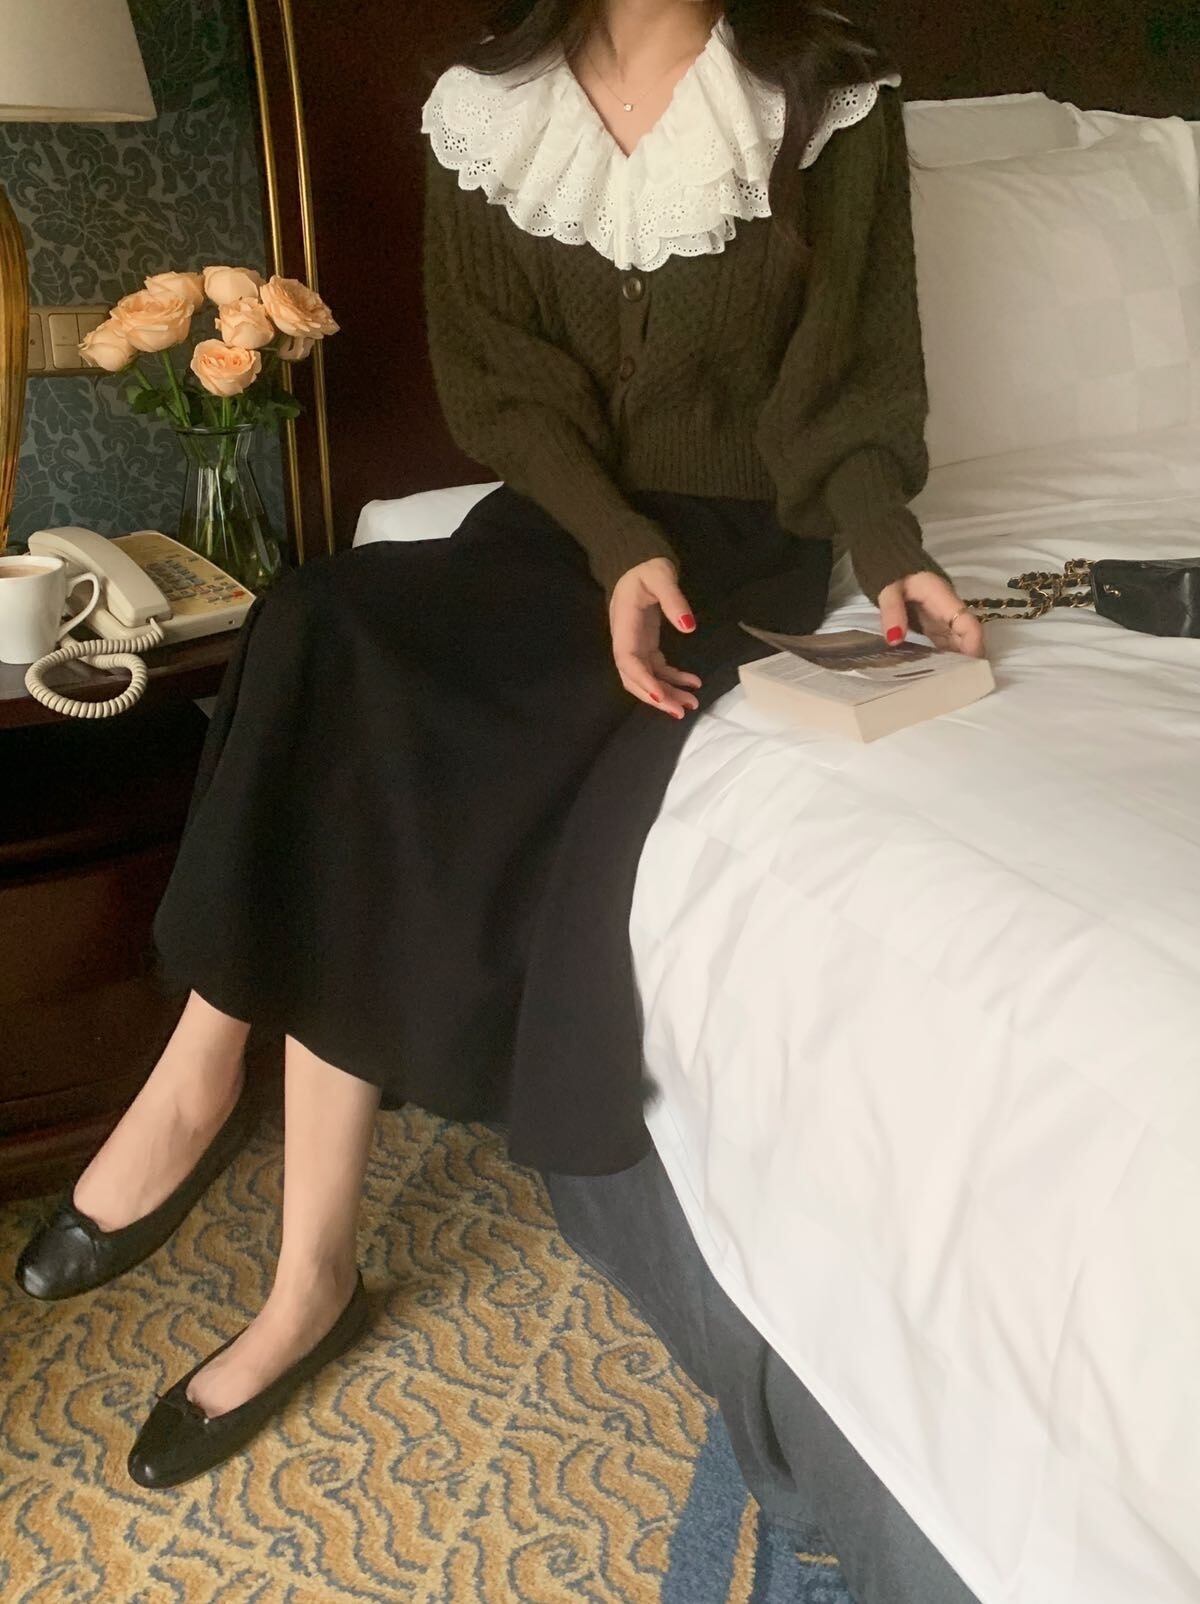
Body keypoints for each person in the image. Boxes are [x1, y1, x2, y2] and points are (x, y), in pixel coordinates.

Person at [14, 0, 987, 1488]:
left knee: (378, 695)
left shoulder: (831, 92)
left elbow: (853, 379)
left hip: (739, 553)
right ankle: (221, 1111)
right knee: (323, 619)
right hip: (562, 529)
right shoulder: (487, 104)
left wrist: (890, 548)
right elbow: (500, 385)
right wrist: (610, 542)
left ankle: (266, 1215)